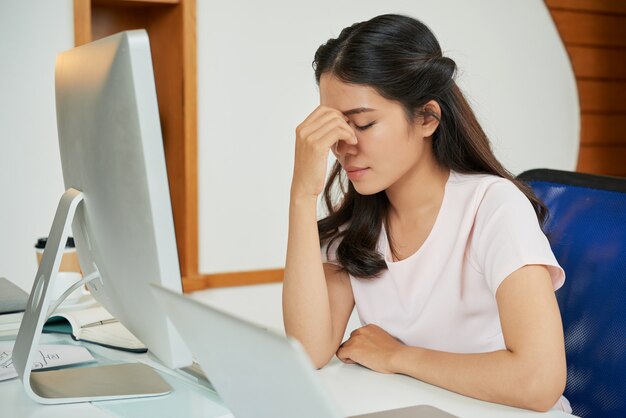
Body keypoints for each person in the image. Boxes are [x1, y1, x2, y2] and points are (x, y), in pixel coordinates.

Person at [282, 13, 571, 413]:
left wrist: (399, 356)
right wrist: (301, 195)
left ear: (426, 118)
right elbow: (307, 351)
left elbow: (538, 382)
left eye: (363, 124)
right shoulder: (357, 224)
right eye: (334, 127)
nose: (343, 144)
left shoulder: (493, 207)